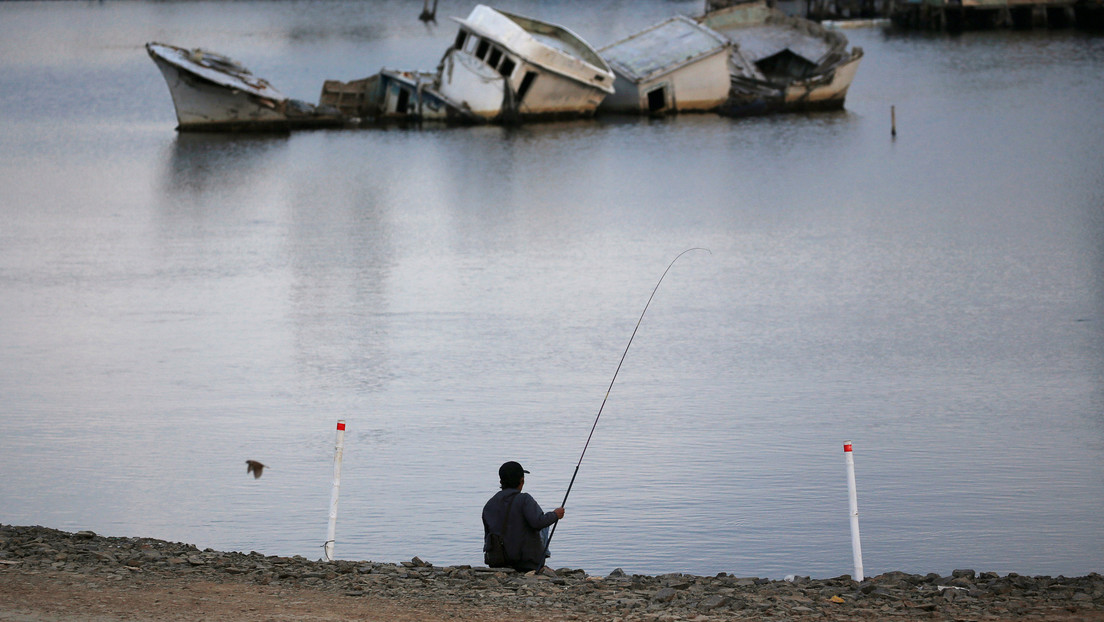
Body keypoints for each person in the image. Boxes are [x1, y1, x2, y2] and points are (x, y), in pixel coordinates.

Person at [482, 461, 564, 572]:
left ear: (501, 481)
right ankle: (541, 564)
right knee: (544, 523)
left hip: (497, 560)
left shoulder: (489, 504)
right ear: (522, 481)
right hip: (524, 562)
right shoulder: (524, 499)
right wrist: (555, 514)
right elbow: (538, 522)